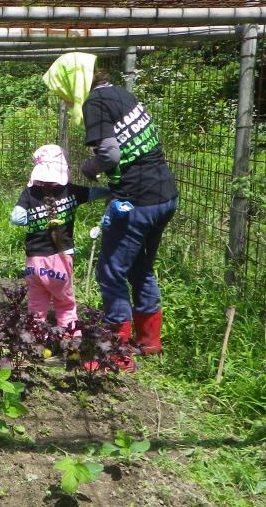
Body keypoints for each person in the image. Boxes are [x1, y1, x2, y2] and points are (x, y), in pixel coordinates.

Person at [44, 52, 179, 368]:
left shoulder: (95, 103)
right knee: (140, 267)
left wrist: (89, 167)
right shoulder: (119, 94)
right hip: (164, 194)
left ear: (72, 83)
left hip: (137, 198)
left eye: (61, 90)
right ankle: (149, 342)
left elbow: (109, 153)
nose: (63, 99)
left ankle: (115, 352)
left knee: (110, 269)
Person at [10, 144, 109, 332]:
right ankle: (71, 345)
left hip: (34, 262)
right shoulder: (72, 191)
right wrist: (113, 191)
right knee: (65, 306)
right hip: (61, 261)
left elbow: (16, 218)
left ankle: (36, 344)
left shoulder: (29, 193)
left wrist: (34, 218)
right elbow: (97, 192)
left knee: (36, 310)